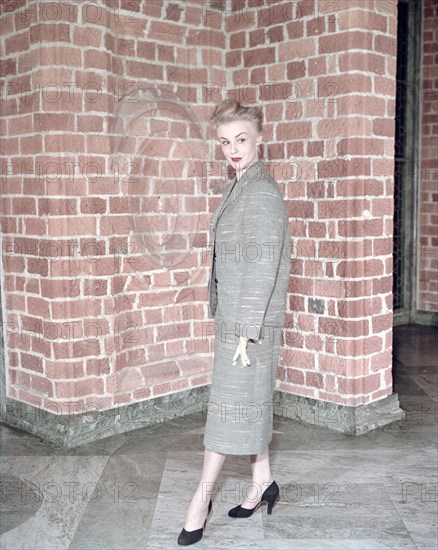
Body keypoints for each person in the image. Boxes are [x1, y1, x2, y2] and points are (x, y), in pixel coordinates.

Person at [177, 100, 291, 546]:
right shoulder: (242, 184)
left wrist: (245, 331)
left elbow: (264, 267)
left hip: (250, 326)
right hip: (240, 321)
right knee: (249, 404)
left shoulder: (261, 193)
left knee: (226, 412)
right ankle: (262, 481)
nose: (232, 149)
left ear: (260, 138)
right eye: (225, 142)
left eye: (241, 139)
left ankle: (198, 503)